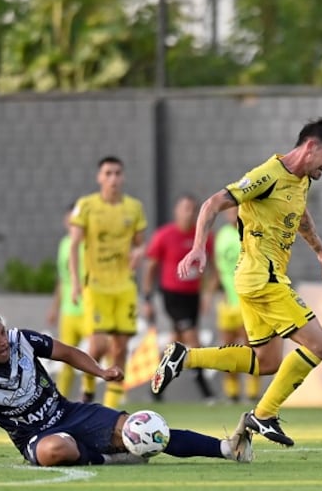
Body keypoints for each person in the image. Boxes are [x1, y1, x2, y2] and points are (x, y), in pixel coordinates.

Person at [151, 118, 322, 447]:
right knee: (320, 345)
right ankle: (265, 414)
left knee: (266, 362)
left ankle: (184, 357)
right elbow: (212, 203)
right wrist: (199, 246)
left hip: (257, 279)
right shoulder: (267, 175)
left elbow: (300, 217)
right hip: (262, 278)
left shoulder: (301, 180)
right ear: (310, 147)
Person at [0, 307, 254, 467]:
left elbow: (65, 351)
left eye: (2, 332)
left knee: (145, 428)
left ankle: (226, 448)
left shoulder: (21, 340)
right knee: (53, 452)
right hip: (35, 436)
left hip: (70, 412)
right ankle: (113, 457)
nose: (3, 341)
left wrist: (100, 372)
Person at [69, 156, 147, 408]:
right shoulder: (86, 206)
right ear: (99, 177)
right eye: (108, 173)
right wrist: (75, 282)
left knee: (121, 348)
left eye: (117, 173)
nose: (113, 178)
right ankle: (89, 388)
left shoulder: (134, 207)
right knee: (99, 344)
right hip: (97, 285)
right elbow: (73, 245)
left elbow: (140, 243)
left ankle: (111, 408)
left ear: (122, 177)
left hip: (124, 286)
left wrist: (139, 252)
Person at [141, 193, 215, 401]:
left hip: (193, 295)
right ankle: (205, 390)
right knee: (193, 340)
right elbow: (150, 267)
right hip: (172, 296)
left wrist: (208, 293)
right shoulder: (164, 235)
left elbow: (212, 268)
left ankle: (155, 388)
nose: (189, 213)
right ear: (176, 211)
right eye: (185, 208)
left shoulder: (203, 237)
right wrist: (147, 298)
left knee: (176, 344)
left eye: (193, 209)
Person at [213, 206, 260, 403]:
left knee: (249, 347)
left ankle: (252, 392)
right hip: (227, 301)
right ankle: (232, 392)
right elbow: (218, 267)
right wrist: (212, 292)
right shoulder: (221, 236)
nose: (233, 214)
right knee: (227, 347)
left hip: (246, 300)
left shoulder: (250, 232)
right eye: (230, 210)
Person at [46, 202, 90, 398]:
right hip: (69, 312)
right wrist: (54, 308)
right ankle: (60, 400)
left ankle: (92, 396)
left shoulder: (89, 244)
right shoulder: (64, 245)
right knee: (65, 360)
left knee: (95, 355)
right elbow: (62, 279)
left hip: (90, 309)